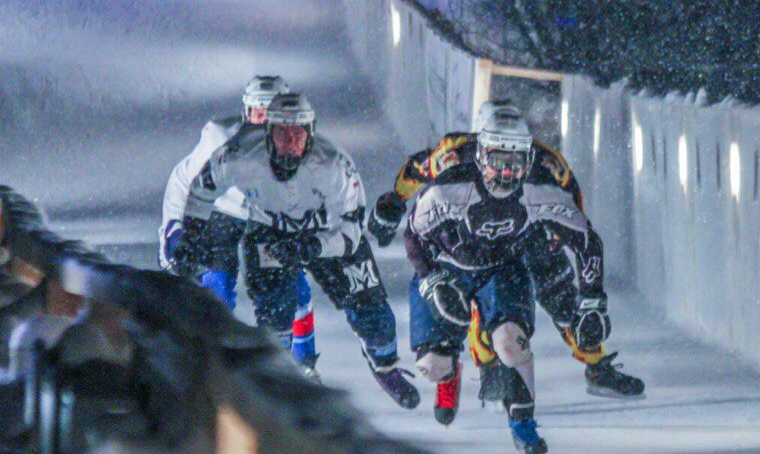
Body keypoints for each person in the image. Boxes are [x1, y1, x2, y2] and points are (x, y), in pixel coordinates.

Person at [370, 101, 643, 413]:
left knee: (561, 293)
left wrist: (558, 235)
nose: (505, 170)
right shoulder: (455, 154)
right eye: (497, 155)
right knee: (470, 281)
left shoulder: (545, 164)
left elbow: (570, 201)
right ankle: (477, 347)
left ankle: (595, 363)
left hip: (527, 227)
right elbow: (420, 171)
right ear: (481, 146)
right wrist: (395, 202)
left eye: (514, 156)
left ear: (526, 154)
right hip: (469, 229)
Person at [404, 106, 615, 454]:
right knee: (431, 365)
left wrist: (593, 300)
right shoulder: (450, 184)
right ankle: (450, 369)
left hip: (502, 268)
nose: (505, 173)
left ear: (528, 160)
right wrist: (430, 279)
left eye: (515, 163)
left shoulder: (539, 188)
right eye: (498, 161)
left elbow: (585, 240)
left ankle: (523, 425)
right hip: (447, 266)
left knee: (510, 343)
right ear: (481, 154)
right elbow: (413, 234)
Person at [181, 93, 419, 408]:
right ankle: (279, 373)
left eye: (298, 134)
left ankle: (384, 363)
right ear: (268, 133)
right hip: (272, 237)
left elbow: (351, 230)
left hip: (329, 235)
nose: (291, 143)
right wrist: (191, 234)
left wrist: (315, 245)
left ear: (311, 133)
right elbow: (201, 189)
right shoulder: (240, 154)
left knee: (375, 319)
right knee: (275, 313)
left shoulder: (335, 164)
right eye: (282, 134)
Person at [158, 76, 317, 367]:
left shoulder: (297, 144)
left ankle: (293, 361)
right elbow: (184, 180)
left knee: (282, 289)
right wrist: (172, 229)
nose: (262, 123)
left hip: (266, 220)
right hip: (221, 212)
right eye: (257, 113)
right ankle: (214, 354)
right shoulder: (221, 138)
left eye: (271, 115)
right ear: (246, 113)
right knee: (215, 281)